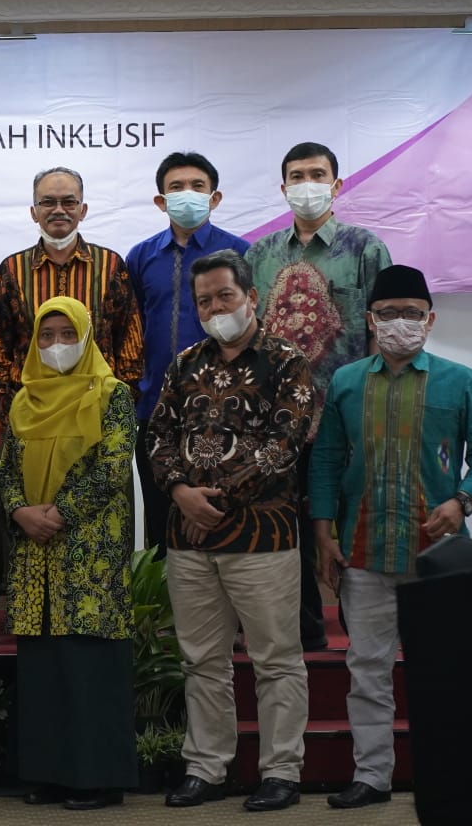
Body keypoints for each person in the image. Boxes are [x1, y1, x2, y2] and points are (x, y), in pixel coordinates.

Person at [309, 265, 472, 810]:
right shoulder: (346, 382)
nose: (401, 322)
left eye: (412, 313)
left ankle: (449, 776)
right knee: (366, 671)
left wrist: (461, 500)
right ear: (371, 320)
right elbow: (325, 461)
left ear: (430, 320)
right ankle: (372, 777)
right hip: (364, 550)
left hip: (437, 557)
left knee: (443, 671)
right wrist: (323, 533)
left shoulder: (459, 380)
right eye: (389, 313)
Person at [148, 250, 313, 812]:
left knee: (276, 659)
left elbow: (284, 445)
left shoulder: (287, 362)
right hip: (189, 539)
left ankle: (282, 771)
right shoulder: (184, 363)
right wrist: (180, 493)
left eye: (225, 296)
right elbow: (159, 435)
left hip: (262, 538)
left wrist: (214, 502)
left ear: (251, 297)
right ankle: (206, 768)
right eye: (204, 301)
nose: (215, 308)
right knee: (202, 661)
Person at [246, 141, 392, 651]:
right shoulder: (260, 255)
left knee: (350, 520)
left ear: (337, 183)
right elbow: (248, 336)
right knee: (284, 525)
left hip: (344, 414)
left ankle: (361, 627)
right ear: (283, 186)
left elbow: (381, 332)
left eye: (317, 174)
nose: (306, 184)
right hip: (277, 419)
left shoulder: (365, 248)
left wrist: (373, 407)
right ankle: (304, 629)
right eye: (297, 175)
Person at [0, 297, 137, 811]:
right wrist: (20, 511)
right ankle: (50, 773)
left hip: (89, 550)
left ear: (86, 337)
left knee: (89, 665)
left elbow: (113, 465)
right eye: (47, 336)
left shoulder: (112, 394)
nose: (56, 344)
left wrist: (59, 513)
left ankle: (99, 779)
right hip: (33, 553)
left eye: (66, 334)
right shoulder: (23, 399)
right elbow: (5, 469)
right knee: (44, 668)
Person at [125, 153, 249, 556]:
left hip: (226, 408)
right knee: (163, 526)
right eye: (176, 187)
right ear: (161, 201)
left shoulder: (241, 253)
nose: (187, 194)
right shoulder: (140, 257)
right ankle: (165, 597)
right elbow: (133, 329)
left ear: (215, 197)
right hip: (156, 410)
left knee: (222, 519)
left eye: (197, 186)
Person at [0, 166, 143, 431]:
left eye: (69, 202)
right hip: (30, 415)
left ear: (83, 209)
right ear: (34, 212)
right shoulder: (12, 269)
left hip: (98, 414)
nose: (59, 210)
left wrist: (119, 405)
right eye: (48, 202)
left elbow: (130, 343)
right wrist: (7, 405)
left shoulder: (110, 265)